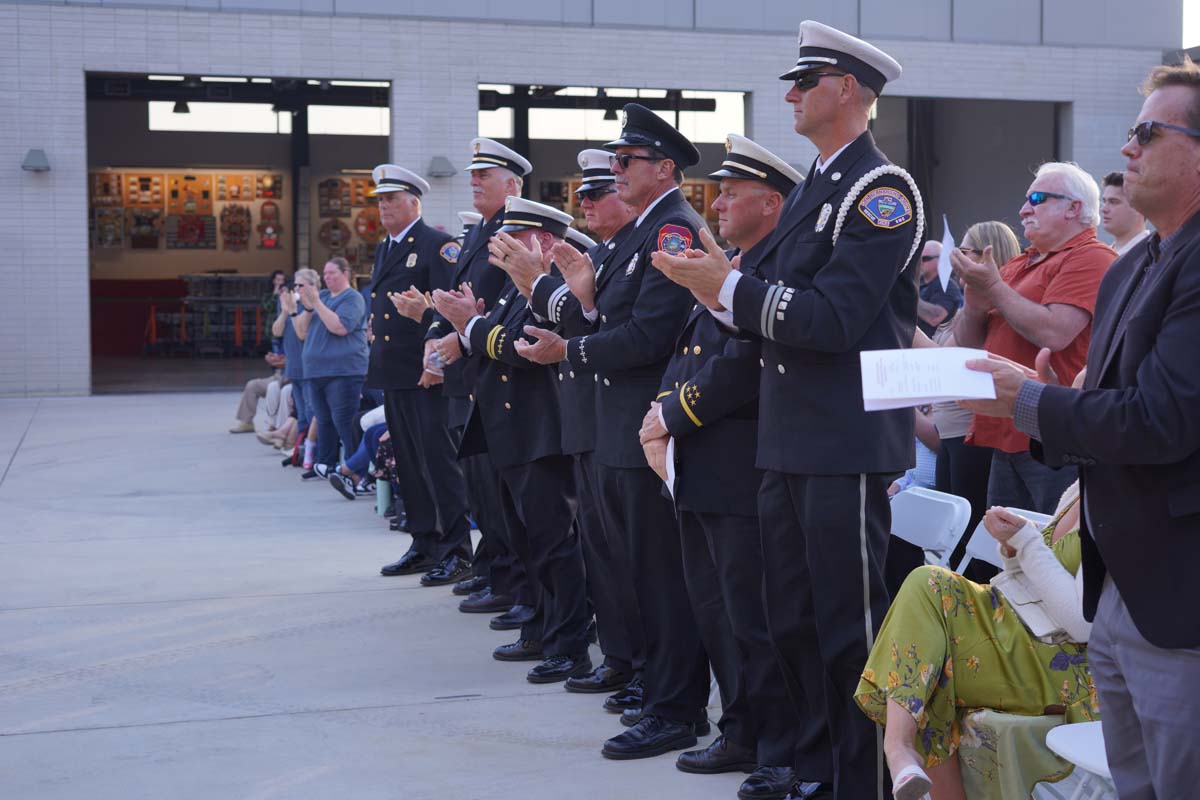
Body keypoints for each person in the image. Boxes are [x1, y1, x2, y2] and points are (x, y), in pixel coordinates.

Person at [652, 20, 923, 798]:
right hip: (790, 439)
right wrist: (719, 286)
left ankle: (864, 781)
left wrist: (724, 287)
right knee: (792, 624)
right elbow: (778, 306)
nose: (792, 94)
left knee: (849, 630)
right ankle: (814, 769)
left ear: (849, 91)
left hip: (843, 443)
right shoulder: (815, 190)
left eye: (807, 81)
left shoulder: (881, 191)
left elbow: (833, 318)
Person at [963, 58, 1200, 800]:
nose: (1127, 150)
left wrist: (1030, 401)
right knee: (1137, 783)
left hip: (1180, 593)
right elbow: (1101, 405)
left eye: (1146, 133)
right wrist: (1046, 406)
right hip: (1117, 578)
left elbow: (1163, 420)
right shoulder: (1136, 266)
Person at [515, 103, 711, 760]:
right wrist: (584, 309)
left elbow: (653, 335)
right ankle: (657, 693)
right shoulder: (636, 237)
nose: (615, 170)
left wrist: (567, 351)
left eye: (626, 162)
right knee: (634, 574)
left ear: (664, 169)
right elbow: (610, 320)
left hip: (644, 431)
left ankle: (675, 709)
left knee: (659, 579)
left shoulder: (674, 232)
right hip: (614, 430)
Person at [639, 134, 812, 799]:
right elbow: (689, 353)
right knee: (717, 612)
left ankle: (777, 744)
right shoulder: (730, 263)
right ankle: (740, 727)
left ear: (771, 203)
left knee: (756, 617)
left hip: (739, 463)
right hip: (701, 465)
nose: (719, 202)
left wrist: (672, 416)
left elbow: (742, 368)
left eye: (733, 193)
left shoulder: (770, 274)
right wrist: (661, 410)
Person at [855, 480, 1097, 800]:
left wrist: (1026, 542)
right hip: (1020, 632)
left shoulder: (1118, 496)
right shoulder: (1080, 486)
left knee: (934, 657)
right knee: (926, 593)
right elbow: (1033, 583)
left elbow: (1082, 623)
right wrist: (1013, 548)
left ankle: (898, 748)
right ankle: (899, 748)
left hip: (1065, 661)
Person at [435, 197, 593, 683]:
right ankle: (541, 626)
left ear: (545, 242)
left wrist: (471, 326)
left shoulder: (552, 289)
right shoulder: (512, 288)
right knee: (526, 540)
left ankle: (569, 644)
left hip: (541, 431)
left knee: (554, 544)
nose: (500, 246)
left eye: (514, 238)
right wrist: (473, 328)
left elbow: (520, 348)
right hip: (510, 429)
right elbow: (493, 341)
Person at [517, 148, 645, 700]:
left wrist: (540, 287)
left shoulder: (615, 251)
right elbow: (587, 322)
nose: (586, 203)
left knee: (632, 562)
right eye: (583, 195)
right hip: (588, 420)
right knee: (603, 554)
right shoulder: (611, 251)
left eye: (598, 193)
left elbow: (609, 330)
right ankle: (621, 658)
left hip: (613, 420)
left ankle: (645, 671)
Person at [949, 162, 1115, 514]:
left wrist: (993, 287)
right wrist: (975, 302)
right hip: (1006, 431)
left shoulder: (1093, 257)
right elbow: (968, 344)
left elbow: (1054, 332)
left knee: (1050, 553)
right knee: (1008, 554)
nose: (1024, 210)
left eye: (1037, 199)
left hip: (1052, 437)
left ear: (1074, 208)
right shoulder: (1020, 263)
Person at [424, 138, 534, 625]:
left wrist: (463, 341)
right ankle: (494, 568)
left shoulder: (513, 234)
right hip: (470, 371)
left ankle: (510, 579)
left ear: (511, 184)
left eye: (483, 175)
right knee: (482, 486)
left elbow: (504, 309)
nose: (473, 181)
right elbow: (457, 298)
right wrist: (438, 331)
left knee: (498, 486)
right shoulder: (480, 234)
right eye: (472, 175)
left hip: (492, 370)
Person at [365, 164, 473, 588]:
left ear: (415, 202)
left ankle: (456, 549)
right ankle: (424, 541)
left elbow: (448, 310)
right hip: (394, 370)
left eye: (392, 199)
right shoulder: (385, 248)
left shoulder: (437, 245)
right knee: (409, 464)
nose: (384, 207)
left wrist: (437, 364)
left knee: (438, 463)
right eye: (380, 200)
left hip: (425, 372)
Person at [930, 222, 1021, 572]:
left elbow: (946, 362)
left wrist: (899, 320)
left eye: (965, 251)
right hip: (951, 432)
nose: (957, 259)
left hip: (973, 431)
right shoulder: (969, 306)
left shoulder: (994, 308)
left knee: (973, 541)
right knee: (952, 538)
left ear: (989, 254)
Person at [295, 257, 368, 476]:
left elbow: (340, 327)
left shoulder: (353, 299)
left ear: (346, 273)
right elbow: (301, 331)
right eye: (324, 274)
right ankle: (324, 463)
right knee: (323, 420)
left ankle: (355, 469)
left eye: (332, 273)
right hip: (316, 371)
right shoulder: (324, 296)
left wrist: (316, 303)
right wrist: (307, 308)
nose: (326, 277)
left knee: (344, 421)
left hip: (343, 371)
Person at [228, 351, 286, 433]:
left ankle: (276, 425)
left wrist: (281, 362)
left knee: (274, 388)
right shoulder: (280, 340)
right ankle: (247, 422)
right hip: (279, 375)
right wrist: (274, 358)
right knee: (252, 385)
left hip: (291, 377)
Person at [916, 240, 962, 338]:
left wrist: (907, 296)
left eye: (925, 258)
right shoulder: (918, 284)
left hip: (936, 347)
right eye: (918, 258)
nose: (920, 262)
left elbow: (935, 317)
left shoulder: (948, 286)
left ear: (941, 259)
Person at [1099, 170, 1150, 255]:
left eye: (1113, 202)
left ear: (1138, 207)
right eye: (1104, 201)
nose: (1104, 209)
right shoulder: (1103, 256)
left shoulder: (1152, 256)